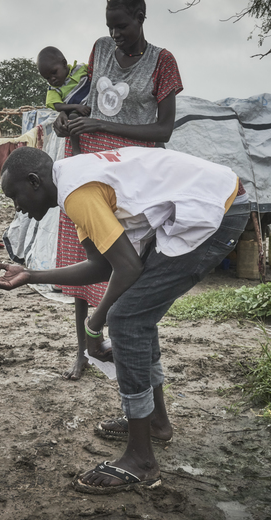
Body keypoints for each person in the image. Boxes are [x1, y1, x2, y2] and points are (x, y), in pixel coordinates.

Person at [0, 146, 249, 493]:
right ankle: (155, 422)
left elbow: (127, 267)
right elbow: (102, 265)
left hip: (217, 210)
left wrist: (93, 327)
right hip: (215, 199)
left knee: (127, 320)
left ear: (34, 182)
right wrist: (30, 275)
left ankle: (141, 461)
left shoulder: (77, 191)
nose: (16, 207)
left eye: (15, 196)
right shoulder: (70, 185)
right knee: (134, 315)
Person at [53, 0, 184, 381]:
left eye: (122, 27)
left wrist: (102, 125)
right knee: (87, 255)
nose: (115, 35)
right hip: (88, 166)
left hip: (133, 177)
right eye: (110, 27)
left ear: (141, 19)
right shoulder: (100, 49)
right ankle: (83, 351)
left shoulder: (162, 62)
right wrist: (70, 119)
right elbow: (89, 101)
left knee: (129, 264)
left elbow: (164, 130)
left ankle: (126, 352)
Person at [37, 46, 91, 117]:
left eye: (54, 72)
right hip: (78, 111)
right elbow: (58, 106)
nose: (52, 79)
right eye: (47, 78)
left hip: (96, 100)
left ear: (64, 64)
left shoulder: (81, 69)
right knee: (72, 117)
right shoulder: (54, 89)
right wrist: (76, 107)